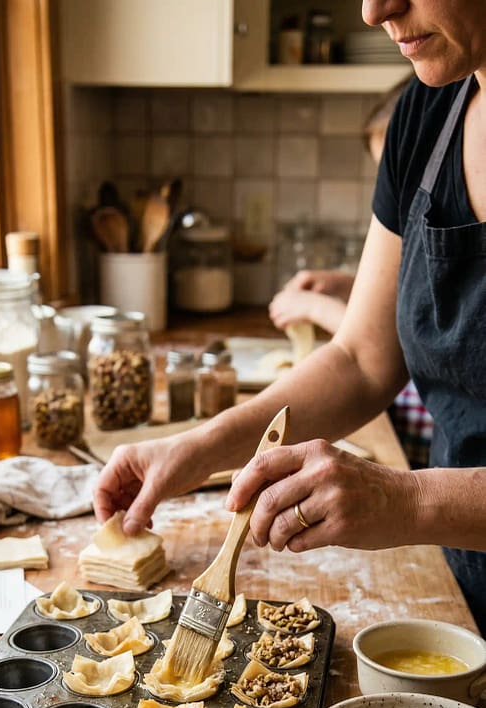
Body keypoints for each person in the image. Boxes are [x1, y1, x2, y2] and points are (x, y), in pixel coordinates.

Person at [94, 0, 486, 636]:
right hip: (462, 585)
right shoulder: (426, 113)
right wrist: (200, 447)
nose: (373, 10)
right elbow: (361, 359)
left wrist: (405, 499)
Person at [268, 73, 434, 471]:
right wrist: (352, 288)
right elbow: (412, 292)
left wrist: (317, 308)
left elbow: (388, 344)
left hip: (438, 450)